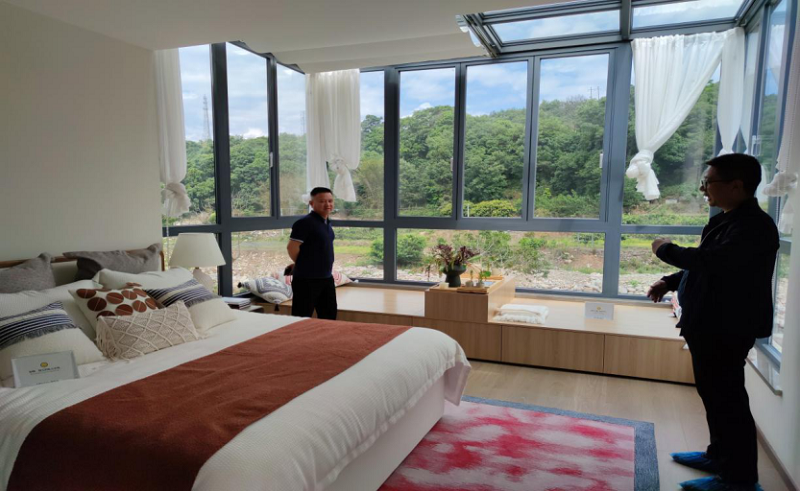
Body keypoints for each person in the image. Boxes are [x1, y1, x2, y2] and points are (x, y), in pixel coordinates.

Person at [647, 154, 778, 491]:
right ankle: (718, 456)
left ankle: (739, 481)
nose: (703, 188)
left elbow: (711, 261)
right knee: (715, 396)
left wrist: (665, 249)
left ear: (736, 186)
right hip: (710, 324)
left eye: (708, 182)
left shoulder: (753, 226)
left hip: (727, 326)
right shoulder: (729, 220)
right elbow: (709, 267)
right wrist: (670, 281)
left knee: (728, 402)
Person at [286, 187, 337, 320]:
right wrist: (303, 263)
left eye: (330, 201)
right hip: (306, 280)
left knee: (329, 318)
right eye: (322, 201)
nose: (327, 204)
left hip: (326, 278)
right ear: (311, 203)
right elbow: (291, 248)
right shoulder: (304, 223)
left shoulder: (326, 222)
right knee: (301, 319)